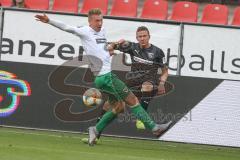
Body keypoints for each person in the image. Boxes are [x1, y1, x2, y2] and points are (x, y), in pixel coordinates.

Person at [35, 8, 172, 146]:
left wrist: (111, 49)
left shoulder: (102, 32)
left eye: (101, 20)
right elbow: (67, 27)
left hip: (102, 78)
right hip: (106, 77)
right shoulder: (85, 31)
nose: (100, 23)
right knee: (133, 100)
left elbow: (103, 50)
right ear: (90, 21)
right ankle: (154, 128)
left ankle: (95, 130)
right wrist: (49, 21)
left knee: (119, 107)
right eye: (97, 20)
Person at [82, 26, 169, 144]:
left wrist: (162, 83)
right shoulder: (132, 46)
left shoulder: (158, 52)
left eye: (144, 36)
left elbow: (165, 72)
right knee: (111, 105)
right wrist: (116, 44)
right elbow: (109, 47)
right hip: (133, 81)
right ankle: (96, 133)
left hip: (149, 81)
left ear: (149, 37)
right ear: (137, 38)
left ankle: (142, 120)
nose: (142, 38)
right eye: (140, 37)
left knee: (146, 86)